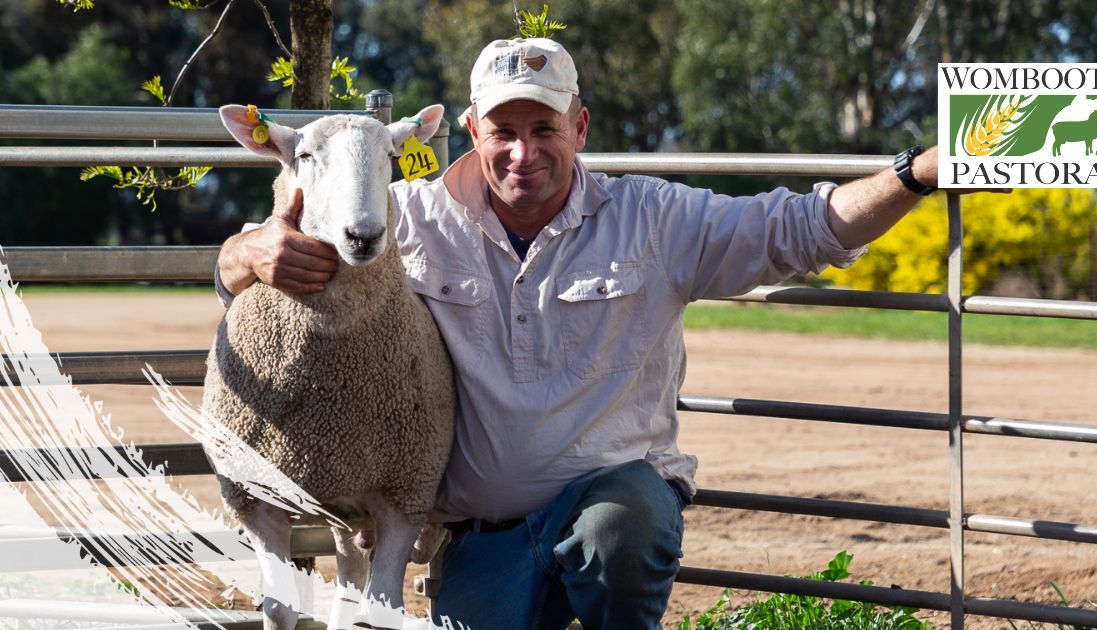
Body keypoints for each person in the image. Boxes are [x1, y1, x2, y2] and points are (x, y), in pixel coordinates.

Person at [215, 37, 979, 630]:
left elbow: (799, 229)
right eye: (503, 130)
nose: (523, 151)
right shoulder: (405, 217)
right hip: (483, 537)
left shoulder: (652, 219)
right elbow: (247, 260)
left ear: (578, 127)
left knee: (624, 529)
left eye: (544, 126)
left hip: (608, 508)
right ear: (472, 131)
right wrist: (250, 251)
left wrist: (917, 173)